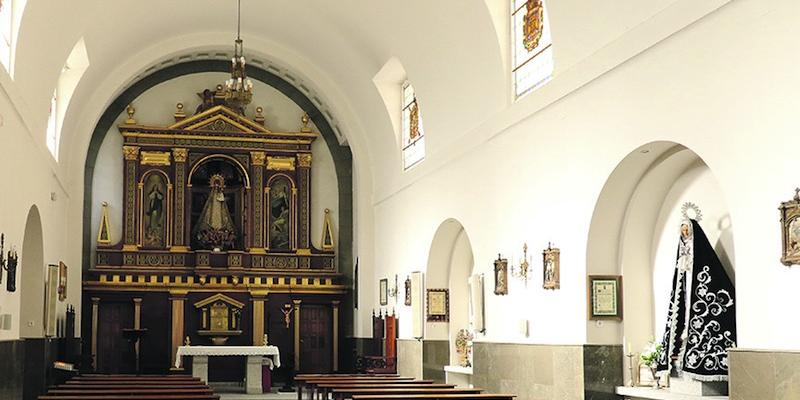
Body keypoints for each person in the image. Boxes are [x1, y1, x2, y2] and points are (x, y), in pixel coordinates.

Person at [655, 218, 736, 381]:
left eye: (687, 230)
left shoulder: (703, 254)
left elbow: (710, 277)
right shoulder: (682, 252)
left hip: (697, 289)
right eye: (682, 231)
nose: (685, 234)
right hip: (687, 290)